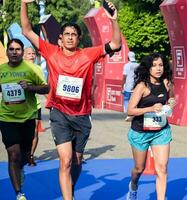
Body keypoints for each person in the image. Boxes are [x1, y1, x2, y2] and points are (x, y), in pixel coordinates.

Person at [20, 0, 121, 199]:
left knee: (76, 161)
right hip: (59, 113)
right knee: (65, 160)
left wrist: (114, 21)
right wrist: (24, 3)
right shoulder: (51, 52)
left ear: (79, 38)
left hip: (82, 115)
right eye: (66, 34)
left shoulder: (88, 54)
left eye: (74, 34)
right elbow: (26, 30)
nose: (70, 37)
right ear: (60, 39)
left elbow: (116, 44)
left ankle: (70, 187)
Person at [0, 38, 49, 200]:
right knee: (13, 154)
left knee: (25, 155)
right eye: (11, 49)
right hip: (6, 117)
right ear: (7, 52)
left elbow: (46, 87)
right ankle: (19, 193)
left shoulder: (31, 68)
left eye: (18, 49)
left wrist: (30, 88)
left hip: (28, 117)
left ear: (22, 52)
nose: (14, 52)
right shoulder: (1, 70)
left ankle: (20, 168)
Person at [126, 53, 175, 200]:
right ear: (148, 68)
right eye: (154, 66)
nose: (158, 69)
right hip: (140, 132)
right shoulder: (142, 86)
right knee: (139, 168)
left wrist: (171, 104)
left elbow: (171, 97)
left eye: (160, 65)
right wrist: (150, 108)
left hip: (161, 131)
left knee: (162, 168)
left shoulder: (166, 83)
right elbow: (130, 110)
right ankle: (133, 185)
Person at [23, 46, 46, 166]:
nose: (32, 55)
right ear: (23, 55)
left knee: (35, 131)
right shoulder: (18, 68)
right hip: (21, 105)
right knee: (23, 131)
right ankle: (24, 152)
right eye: (29, 53)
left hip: (35, 105)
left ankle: (31, 156)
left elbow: (43, 86)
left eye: (33, 53)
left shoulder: (38, 68)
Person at [122, 51, 138, 121]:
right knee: (134, 100)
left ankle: (129, 114)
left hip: (128, 86)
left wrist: (122, 85)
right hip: (136, 86)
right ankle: (134, 114)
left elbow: (124, 76)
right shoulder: (138, 65)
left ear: (128, 57)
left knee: (126, 100)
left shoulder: (127, 65)